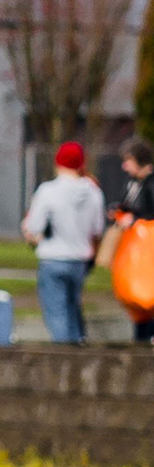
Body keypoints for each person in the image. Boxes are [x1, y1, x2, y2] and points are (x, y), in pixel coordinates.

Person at [23, 141, 106, 344]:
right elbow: (98, 229)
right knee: (72, 308)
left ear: (58, 162)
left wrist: (29, 230)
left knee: (57, 313)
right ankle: (78, 347)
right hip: (79, 260)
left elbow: (34, 227)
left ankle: (65, 359)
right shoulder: (94, 192)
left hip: (53, 258)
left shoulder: (48, 190)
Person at [116, 138, 154, 341]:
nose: (124, 166)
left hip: (148, 253)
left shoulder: (150, 184)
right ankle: (141, 337)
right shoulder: (132, 184)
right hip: (133, 252)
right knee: (137, 298)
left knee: (148, 293)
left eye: (128, 161)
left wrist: (136, 219)